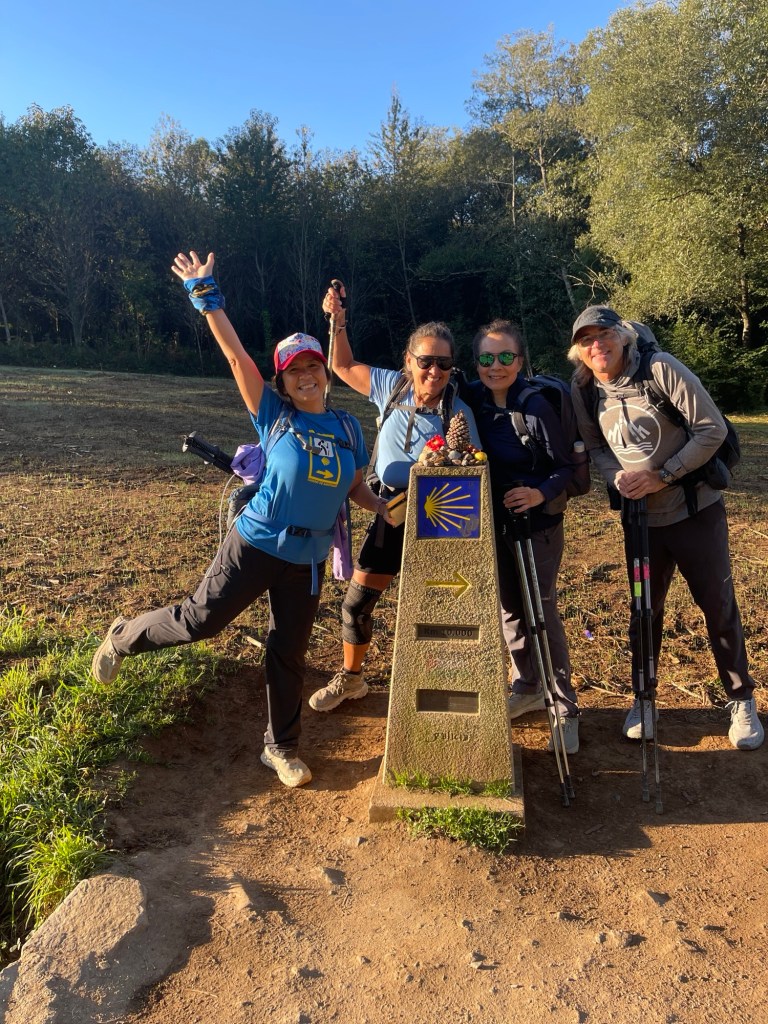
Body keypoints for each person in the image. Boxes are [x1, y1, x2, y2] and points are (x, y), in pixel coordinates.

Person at [91, 250, 392, 788]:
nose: (305, 375)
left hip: (307, 560)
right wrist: (206, 297)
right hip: (254, 545)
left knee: (288, 653)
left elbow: (353, 489)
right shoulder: (273, 416)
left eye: (312, 366)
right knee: (199, 622)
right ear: (282, 381)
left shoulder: (348, 428)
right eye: (294, 370)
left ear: (325, 372)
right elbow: (236, 358)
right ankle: (123, 636)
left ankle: (280, 747)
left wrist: (383, 507)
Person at [568, 305, 763, 750]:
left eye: (604, 334)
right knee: (644, 610)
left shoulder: (660, 368)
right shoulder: (583, 388)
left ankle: (741, 698)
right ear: (578, 350)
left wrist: (663, 476)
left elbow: (711, 429)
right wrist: (617, 477)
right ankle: (644, 698)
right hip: (640, 521)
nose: (597, 345)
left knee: (717, 605)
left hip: (694, 512)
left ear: (622, 336)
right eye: (586, 339)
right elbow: (596, 447)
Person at [308, 286, 481, 712]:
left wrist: (443, 464)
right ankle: (352, 679)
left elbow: (473, 474)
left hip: (439, 523)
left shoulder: (460, 411)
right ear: (409, 361)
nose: (435, 371)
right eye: (426, 361)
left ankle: (443, 690)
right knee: (356, 604)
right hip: (387, 509)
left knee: (439, 612)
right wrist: (338, 322)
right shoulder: (390, 385)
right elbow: (341, 365)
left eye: (444, 363)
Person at [460, 320, 580, 754]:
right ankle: (528, 685)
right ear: (476, 363)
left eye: (505, 357)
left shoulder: (536, 407)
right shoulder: (471, 399)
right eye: (487, 358)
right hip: (493, 523)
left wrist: (538, 493)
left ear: (520, 360)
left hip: (537, 525)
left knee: (541, 612)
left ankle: (565, 708)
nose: (496, 366)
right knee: (510, 609)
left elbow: (566, 466)